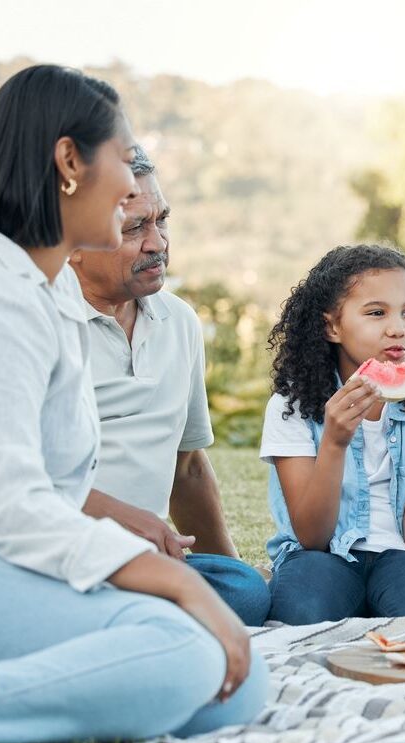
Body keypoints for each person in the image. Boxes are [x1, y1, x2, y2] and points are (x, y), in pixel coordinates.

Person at [0, 65, 267, 743]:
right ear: (69, 162)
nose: (133, 183)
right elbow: (5, 502)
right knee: (190, 647)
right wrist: (179, 583)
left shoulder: (44, 292)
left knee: (239, 682)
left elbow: (72, 487)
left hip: (25, 561)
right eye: (124, 158)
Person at [69, 146, 270, 625]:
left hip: (149, 561)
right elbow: (11, 486)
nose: (157, 242)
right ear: (72, 243)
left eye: (162, 221)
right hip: (61, 551)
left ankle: (144, 612)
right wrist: (117, 517)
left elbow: (188, 469)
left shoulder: (178, 321)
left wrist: (231, 568)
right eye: (134, 227)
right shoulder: (36, 323)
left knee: (244, 593)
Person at [261, 244, 405, 624]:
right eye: (376, 313)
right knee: (302, 608)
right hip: (321, 556)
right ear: (332, 326)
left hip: (404, 555)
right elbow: (312, 537)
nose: (397, 328)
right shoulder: (292, 406)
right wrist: (334, 442)